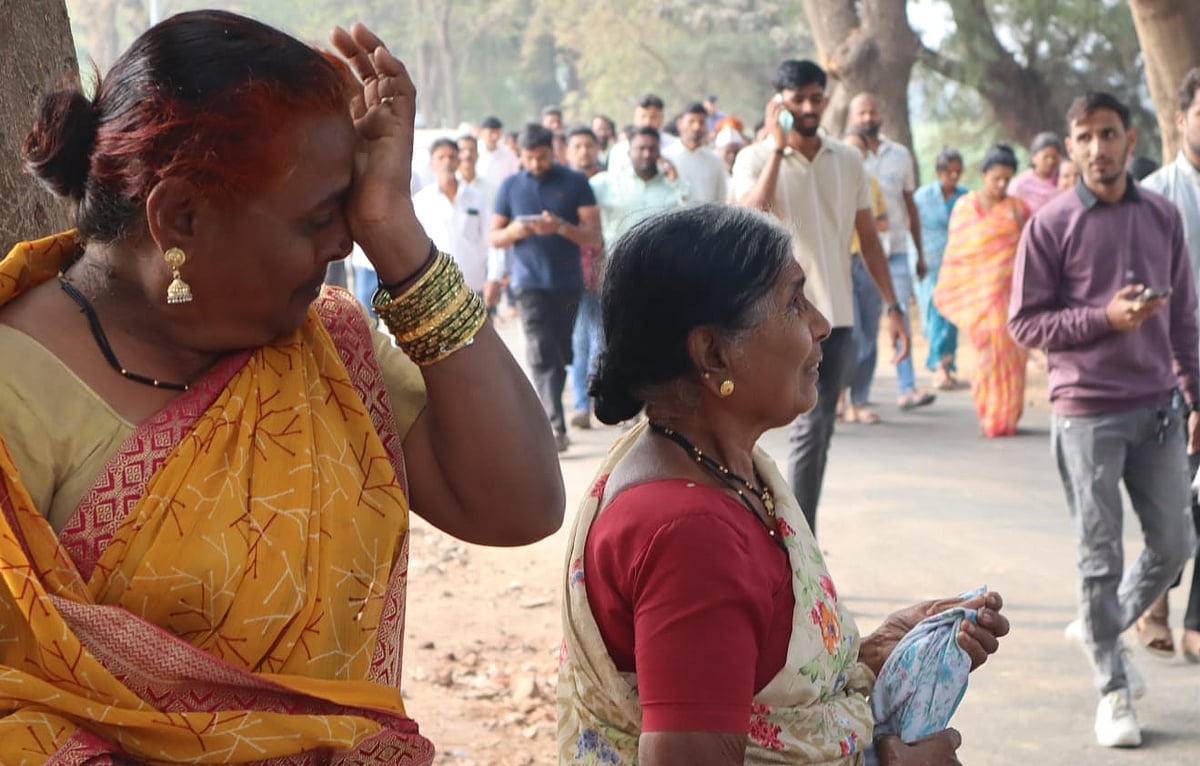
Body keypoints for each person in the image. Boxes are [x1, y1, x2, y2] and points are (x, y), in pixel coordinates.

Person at [0, 10, 564, 762]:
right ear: (181, 217)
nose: (344, 242)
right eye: (319, 218)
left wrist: (397, 230)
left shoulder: (326, 349)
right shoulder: (17, 388)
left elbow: (519, 505)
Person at [557, 203, 1010, 765]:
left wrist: (871, 655)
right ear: (714, 353)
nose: (821, 324)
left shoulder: (719, 469)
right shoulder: (691, 533)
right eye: (794, 302)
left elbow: (746, 681)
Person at [1008, 91, 1198, 748]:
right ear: (1071, 144)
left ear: (1131, 137)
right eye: (1084, 137)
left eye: (1108, 134)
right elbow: (1025, 322)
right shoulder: (1052, 224)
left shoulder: (1163, 216)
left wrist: (1196, 397)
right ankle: (1113, 689)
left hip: (1159, 410)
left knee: (1175, 542)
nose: (1097, 148)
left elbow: (1184, 320)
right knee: (1099, 557)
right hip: (1085, 411)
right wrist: (1102, 319)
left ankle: (1099, 628)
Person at [733, 59, 907, 534]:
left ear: (827, 100)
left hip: (837, 318)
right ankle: (762, 527)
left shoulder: (848, 160)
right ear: (779, 104)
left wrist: (894, 307)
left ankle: (797, 535)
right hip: (772, 318)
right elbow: (752, 219)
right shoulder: (752, 159)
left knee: (817, 428)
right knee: (757, 426)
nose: (809, 107)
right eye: (798, 99)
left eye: (816, 97)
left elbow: (868, 238)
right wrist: (776, 150)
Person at [489, 123, 602, 452]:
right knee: (541, 352)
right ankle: (554, 425)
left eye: (542, 157)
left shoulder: (575, 182)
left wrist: (560, 227)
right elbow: (495, 237)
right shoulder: (510, 186)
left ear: (554, 151)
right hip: (528, 283)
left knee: (561, 352)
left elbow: (593, 235)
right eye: (530, 158)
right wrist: (515, 232)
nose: (536, 164)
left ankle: (553, 416)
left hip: (567, 282)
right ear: (520, 156)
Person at [1140, 65, 1200, 662]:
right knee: (1176, 497)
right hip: (1174, 370)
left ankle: (1192, 624)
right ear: (1181, 119)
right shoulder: (1156, 196)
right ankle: (1155, 603)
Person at [933, 144, 1029, 437]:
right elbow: (958, 254)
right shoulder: (965, 207)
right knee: (987, 357)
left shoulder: (1017, 209)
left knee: (1013, 357)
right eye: (996, 178)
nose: (1001, 185)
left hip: (1010, 297)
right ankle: (989, 415)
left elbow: (1028, 251)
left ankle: (1008, 417)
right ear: (984, 175)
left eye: (1007, 179)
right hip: (979, 300)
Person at [848, 93, 935, 412]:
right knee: (855, 330)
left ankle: (906, 388)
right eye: (862, 112)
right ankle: (849, 395)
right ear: (852, 116)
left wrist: (920, 252)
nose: (868, 117)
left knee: (896, 315)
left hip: (896, 251)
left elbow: (910, 204)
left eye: (873, 111)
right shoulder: (844, 155)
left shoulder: (900, 155)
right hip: (854, 255)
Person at [841, 132, 890, 425]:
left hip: (867, 262)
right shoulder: (829, 182)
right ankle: (839, 396)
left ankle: (859, 399)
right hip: (841, 262)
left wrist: (866, 222)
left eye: (860, 150)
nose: (855, 155)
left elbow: (883, 222)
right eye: (850, 150)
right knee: (851, 334)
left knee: (869, 333)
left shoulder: (871, 185)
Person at [913, 148, 968, 390]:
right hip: (931, 266)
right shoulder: (922, 197)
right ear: (939, 172)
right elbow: (913, 232)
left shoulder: (966, 197)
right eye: (949, 172)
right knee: (936, 315)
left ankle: (945, 364)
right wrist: (917, 260)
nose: (954, 177)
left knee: (951, 318)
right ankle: (939, 366)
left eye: (958, 172)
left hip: (959, 267)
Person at [564, 126, 606, 430]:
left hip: (605, 272)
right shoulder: (562, 185)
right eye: (577, 146)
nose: (584, 151)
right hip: (571, 276)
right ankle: (581, 403)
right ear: (567, 150)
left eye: (589, 145)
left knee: (601, 340)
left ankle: (598, 400)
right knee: (579, 341)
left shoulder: (608, 184)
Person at [663, 102, 728, 203]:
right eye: (691, 121)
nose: (697, 127)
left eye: (701, 122)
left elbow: (721, 199)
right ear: (680, 124)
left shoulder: (715, 161)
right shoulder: (667, 157)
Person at [1008, 131, 1064, 214]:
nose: (1051, 161)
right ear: (1034, 157)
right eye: (1046, 157)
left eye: (1054, 157)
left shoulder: (1063, 178)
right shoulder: (1020, 184)